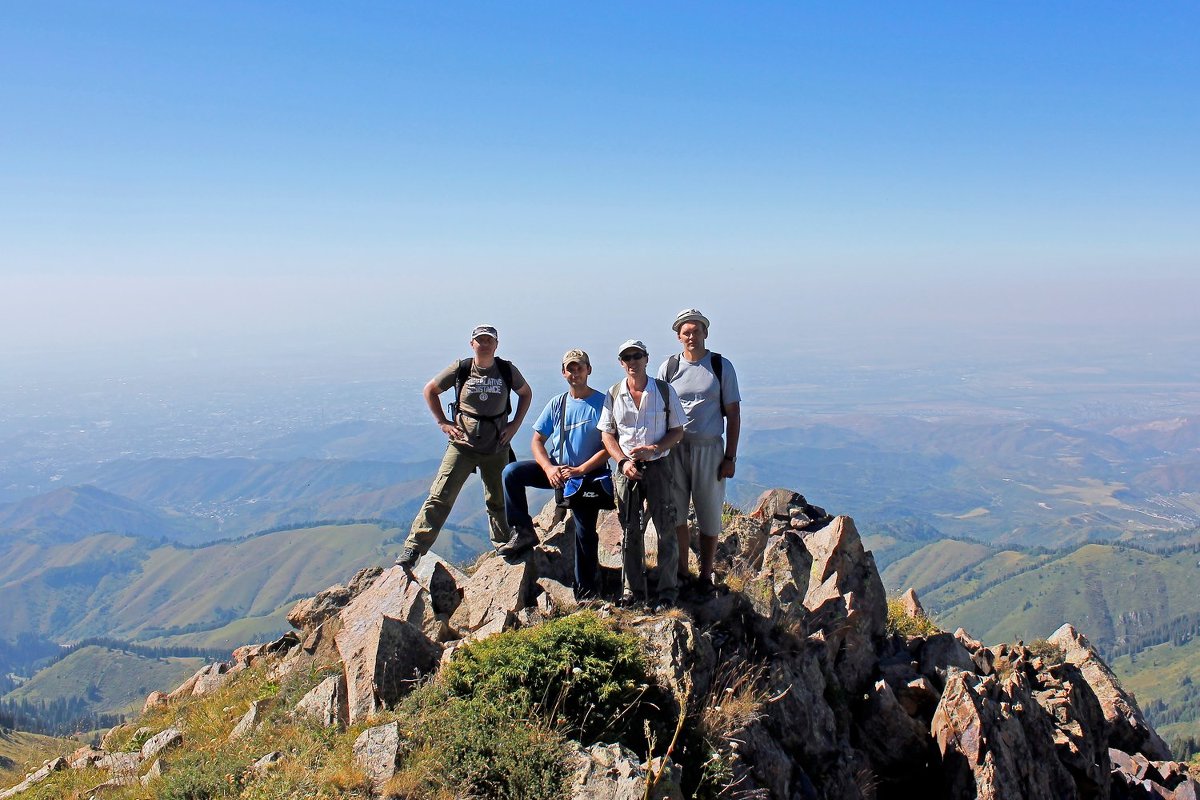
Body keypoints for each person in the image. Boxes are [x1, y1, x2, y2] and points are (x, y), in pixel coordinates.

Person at [396, 324, 533, 569]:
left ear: (496, 344)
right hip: (462, 445)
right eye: (480, 340)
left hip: (496, 446)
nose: (485, 344)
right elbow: (430, 390)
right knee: (441, 495)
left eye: (489, 340)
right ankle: (413, 549)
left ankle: (503, 546)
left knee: (498, 499)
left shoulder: (505, 369)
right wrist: (443, 423)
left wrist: (514, 425)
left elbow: (526, 393)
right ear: (472, 344)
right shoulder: (462, 369)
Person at [500, 349, 611, 596]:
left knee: (584, 531)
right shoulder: (557, 403)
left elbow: (610, 446)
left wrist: (581, 469)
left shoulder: (603, 403)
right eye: (570, 368)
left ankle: (587, 591)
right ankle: (523, 532)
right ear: (563, 372)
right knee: (511, 473)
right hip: (558, 471)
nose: (575, 373)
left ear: (589, 370)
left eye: (579, 367)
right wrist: (548, 468)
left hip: (587, 477)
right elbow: (537, 441)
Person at [657, 308, 741, 593]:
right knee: (677, 512)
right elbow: (658, 412)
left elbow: (733, 412)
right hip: (675, 449)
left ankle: (705, 574)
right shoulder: (668, 368)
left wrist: (730, 456)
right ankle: (682, 570)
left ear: (705, 333)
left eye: (696, 331)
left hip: (709, 448)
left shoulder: (720, 366)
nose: (691, 336)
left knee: (709, 512)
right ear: (678, 336)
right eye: (686, 332)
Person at [599, 339, 687, 609]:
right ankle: (632, 590)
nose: (632, 362)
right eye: (627, 358)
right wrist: (623, 461)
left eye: (637, 356)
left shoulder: (663, 390)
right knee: (630, 531)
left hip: (659, 466)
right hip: (627, 470)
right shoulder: (613, 393)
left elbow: (678, 430)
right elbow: (607, 434)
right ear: (621, 363)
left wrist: (655, 448)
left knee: (665, 529)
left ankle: (667, 591)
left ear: (647, 359)